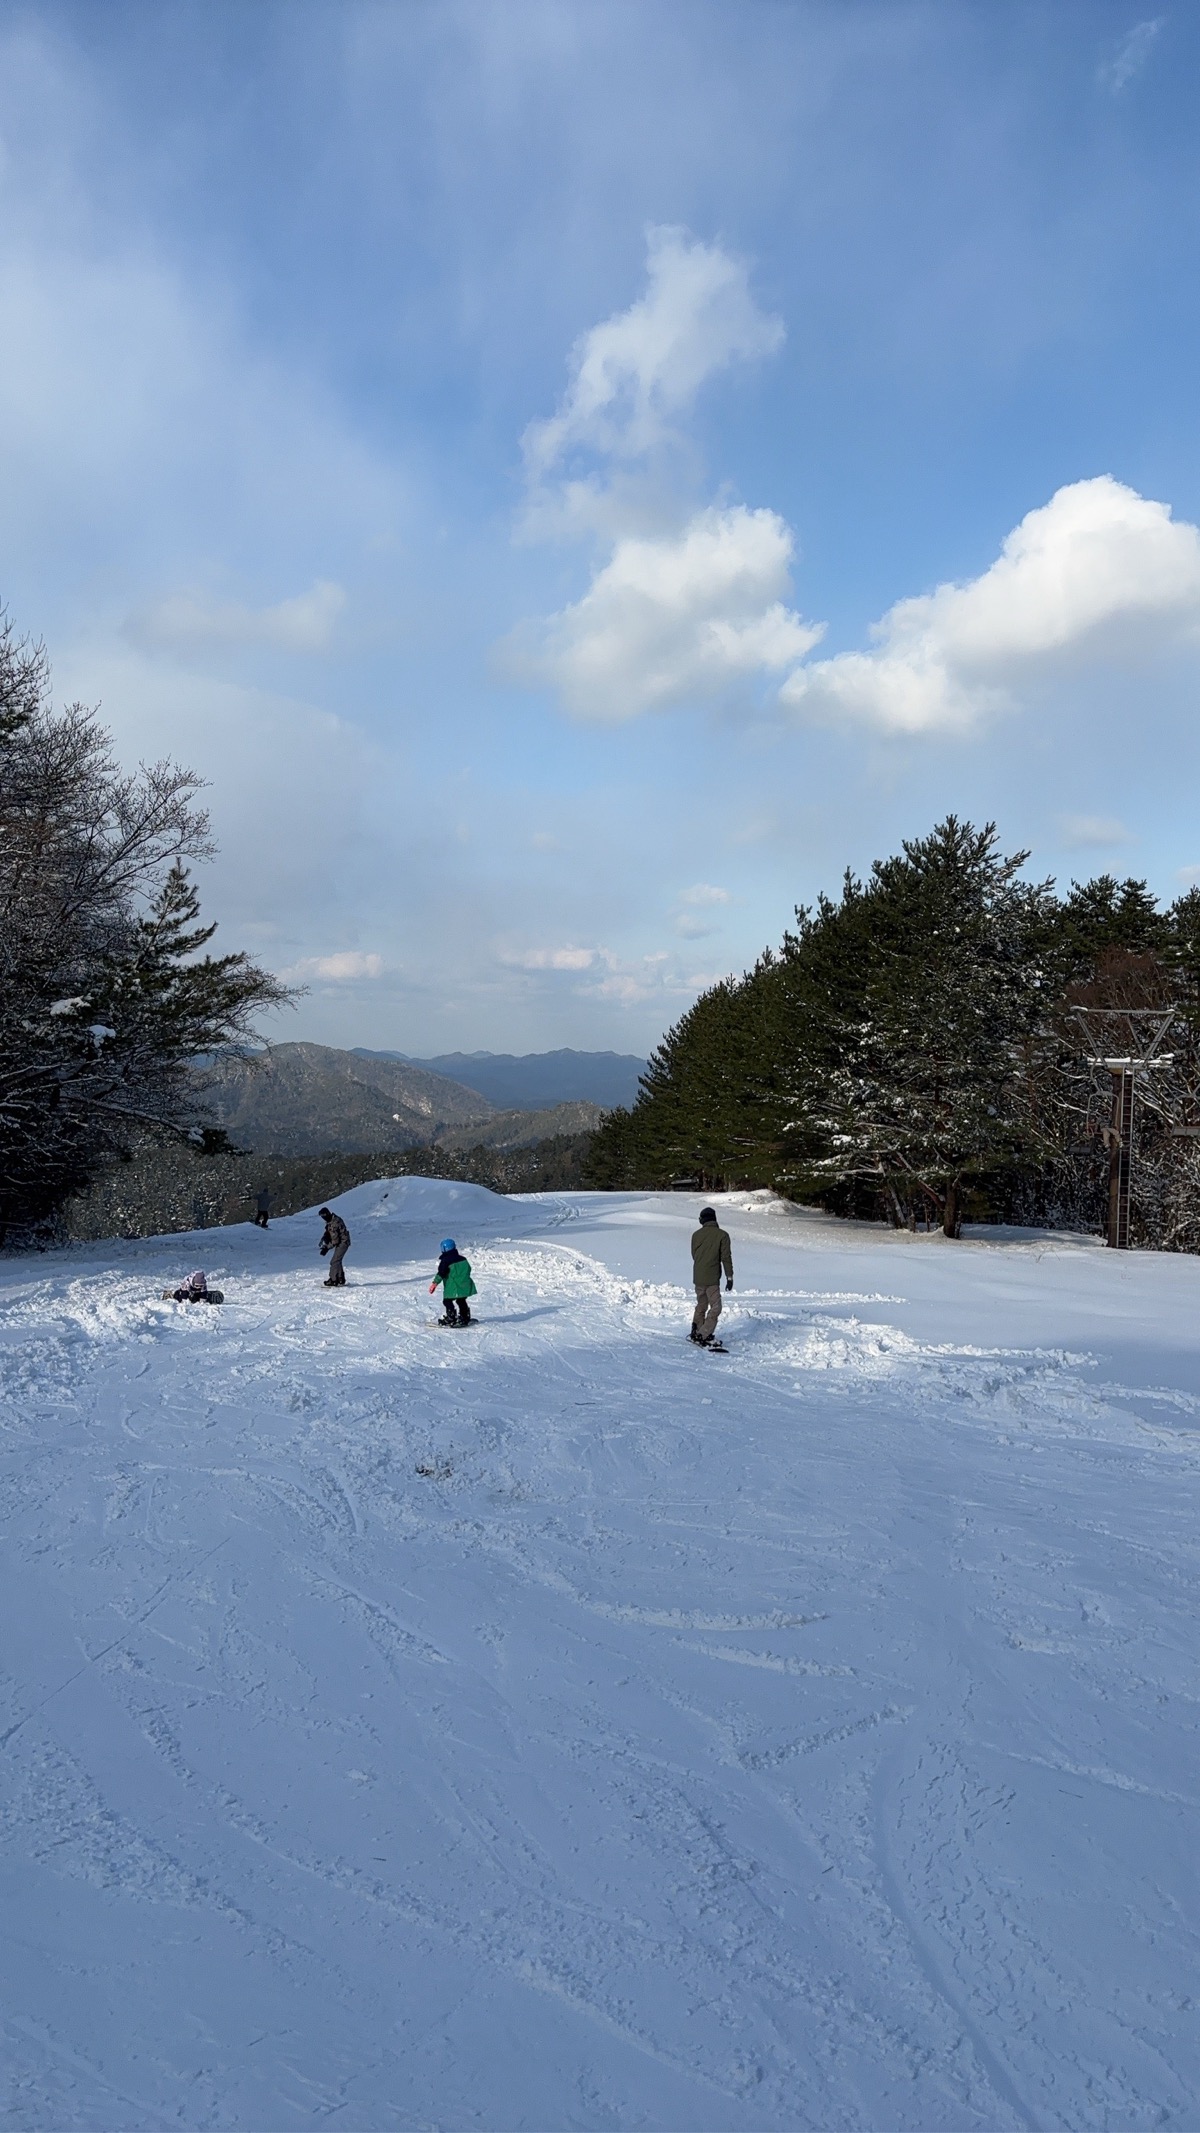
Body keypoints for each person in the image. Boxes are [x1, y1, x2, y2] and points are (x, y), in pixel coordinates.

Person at [690, 1206, 733, 1346]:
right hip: (712, 1278)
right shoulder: (722, 1235)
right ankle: (704, 1334)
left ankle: (696, 1329)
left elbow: (694, 1256)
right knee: (716, 1307)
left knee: (701, 1304)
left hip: (698, 1276)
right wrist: (729, 1276)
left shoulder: (696, 1235)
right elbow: (726, 1258)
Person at [429, 1236, 477, 1326]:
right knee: (461, 1300)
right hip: (464, 1284)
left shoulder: (445, 1261)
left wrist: (434, 1283)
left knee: (447, 1301)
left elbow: (441, 1273)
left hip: (453, 1286)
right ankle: (464, 1317)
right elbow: (468, 1269)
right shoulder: (463, 1259)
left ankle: (451, 1317)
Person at [319, 1206, 351, 1286]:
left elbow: (335, 1240)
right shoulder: (332, 1220)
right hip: (343, 1241)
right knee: (338, 1260)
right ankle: (340, 1278)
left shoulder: (334, 1223)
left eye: (323, 1216)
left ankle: (333, 1279)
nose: (323, 1219)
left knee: (334, 1261)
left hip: (343, 1243)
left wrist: (326, 1248)